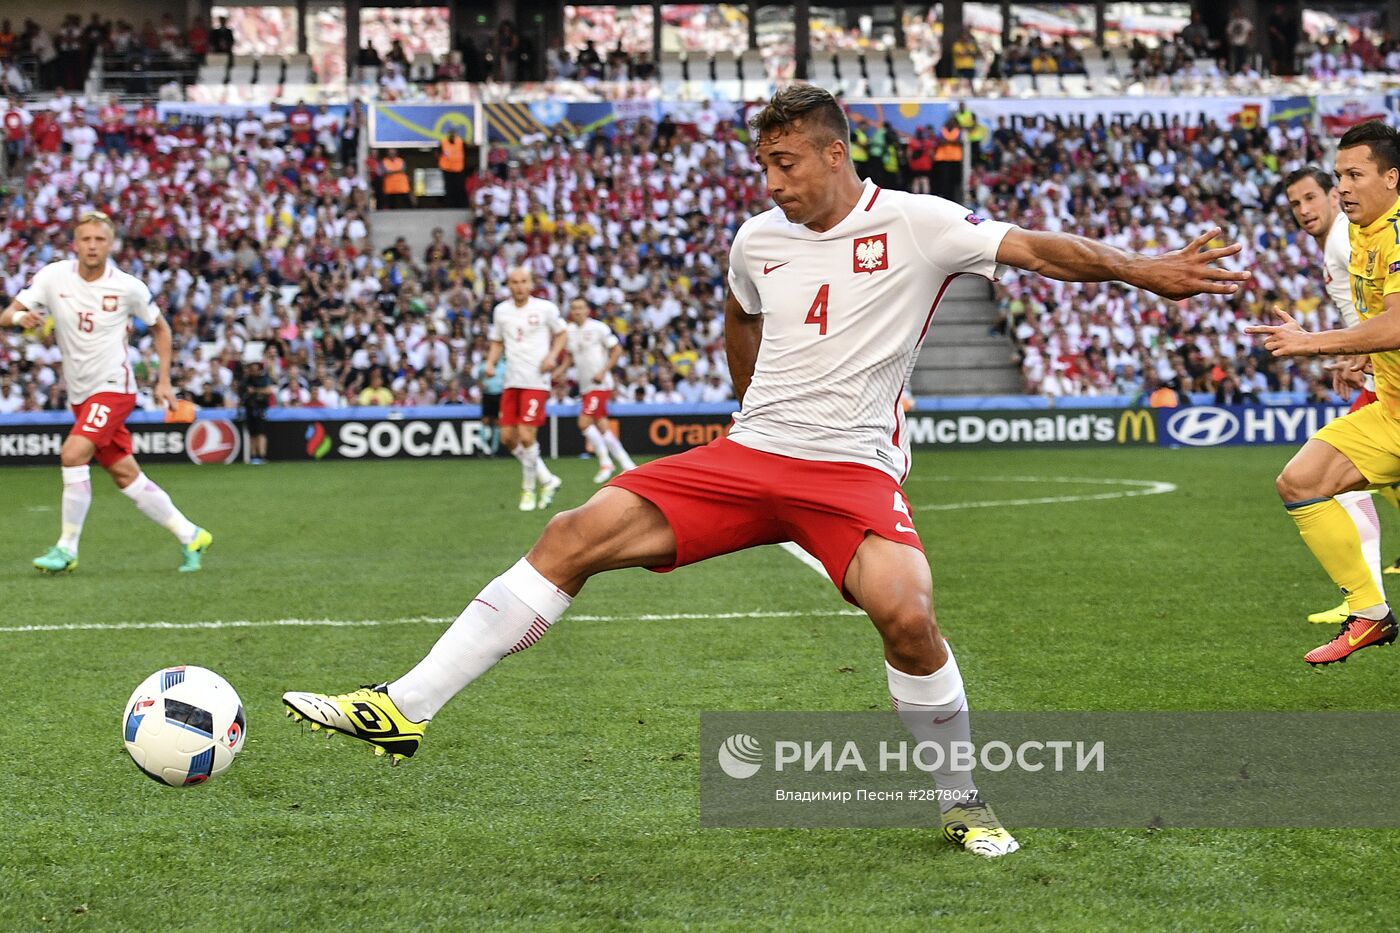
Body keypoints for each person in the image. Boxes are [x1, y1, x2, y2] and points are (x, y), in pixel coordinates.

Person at [283, 84, 1245, 858]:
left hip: (850, 473)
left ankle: (963, 801)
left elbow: (1036, 249)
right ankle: (403, 707)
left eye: (785, 163)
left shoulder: (918, 222)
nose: (773, 183)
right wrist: (750, 406)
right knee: (570, 536)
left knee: (908, 617)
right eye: (763, 166)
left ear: (835, 152)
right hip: (750, 455)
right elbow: (741, 309)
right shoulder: (757, 238)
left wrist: (1141, 268)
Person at [1247, 121, 1400, 665]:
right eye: (1339, 177)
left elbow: (1397, 324)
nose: (1344, 189)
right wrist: (1360, 351)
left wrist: (1313, 343)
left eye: (1355, 175)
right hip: (1393, 411)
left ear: (1392, 177)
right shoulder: (1360, 232)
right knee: (1300, 481)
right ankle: (1370, 614)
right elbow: (1380, 320)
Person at [0, 211, 213, 573]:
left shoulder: (128, 287)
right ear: (76, 243)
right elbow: (7, 315)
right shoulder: (53, 277)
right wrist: (23, 319)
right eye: (86, 239)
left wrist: (163, 380)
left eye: (100, 239)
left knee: (72, 454)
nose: (93, 246)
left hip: (114, 388)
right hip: (81, 395)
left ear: (111, 244)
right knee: (125, 475)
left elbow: (161, 329)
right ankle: (191, 534)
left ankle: (66, 549)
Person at [1283, 165, 1398, 626]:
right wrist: (1358, 354)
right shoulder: (1350, 239)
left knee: (1331, 483)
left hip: (1384, 373)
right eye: (1295, 204)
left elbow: (1386, 319)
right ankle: (1367, 604)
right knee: (1321, 479)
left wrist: (1335, 346)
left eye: (1312, 197)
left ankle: (1365, 601)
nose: (1305, 210)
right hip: (1380, 367)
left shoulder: (1347, 239)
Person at [484, 266, 565, 511]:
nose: (519, 286)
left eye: (523, 281)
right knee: (508, 438)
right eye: (514, 282)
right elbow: (497, 341)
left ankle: (528, 490)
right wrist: (490, 362)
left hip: (536, 381)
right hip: (511, 381)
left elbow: (561, 333)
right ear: (508, 285)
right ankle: (547, 479)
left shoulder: (545, 308)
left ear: (531, 283)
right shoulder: (501, 312)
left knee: (527, 435)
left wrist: (552, 356)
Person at [561, 296, 636, 483]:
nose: (577, 311)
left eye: (580, 307)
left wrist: (603, 371)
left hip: (599, 384)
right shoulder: (569, 331)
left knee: (584, 423)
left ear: (587, 310)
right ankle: (627, 464)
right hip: (586, 385)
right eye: (574, 308)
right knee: (602, 426)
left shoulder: (598, 328)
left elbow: (617, 350)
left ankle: (605, 462)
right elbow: (570, 357)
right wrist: (559, 371)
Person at [239, 360, 272, 463]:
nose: (253, 371)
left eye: (255, 369)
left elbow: (269, 390)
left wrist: (255, 391)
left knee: (261, 432)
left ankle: (262, 455)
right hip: (249, 409)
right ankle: (254, 456)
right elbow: (242, 393)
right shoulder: (245, 381)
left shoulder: (263, 379)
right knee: (252, 433)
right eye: (251, 369)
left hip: (260, 409)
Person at [438, 128, 467, 209]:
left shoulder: (461, 142)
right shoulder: (443, 142)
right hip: (447, 169)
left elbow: (466, 153)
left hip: (458, 170)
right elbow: (438, 153)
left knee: (459, 188)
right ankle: (450, 206)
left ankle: (460, 205)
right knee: (449, 189)